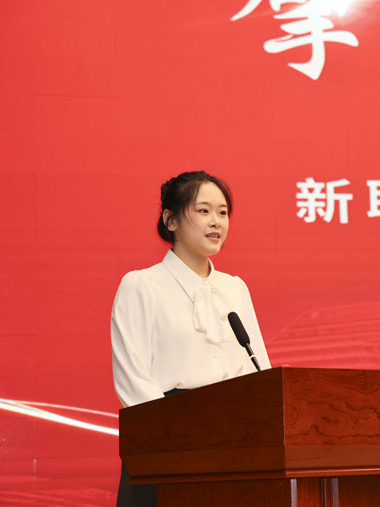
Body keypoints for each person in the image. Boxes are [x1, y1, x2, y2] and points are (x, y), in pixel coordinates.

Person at [110, 171, 272, 506]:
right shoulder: (142, 285)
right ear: (171, 220)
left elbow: (258, 371)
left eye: (223, 212)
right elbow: (133, 378)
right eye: (203, 211)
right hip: (164, 447)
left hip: (232, 450)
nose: (216, 222)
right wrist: (183, 436)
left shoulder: (234, 288)